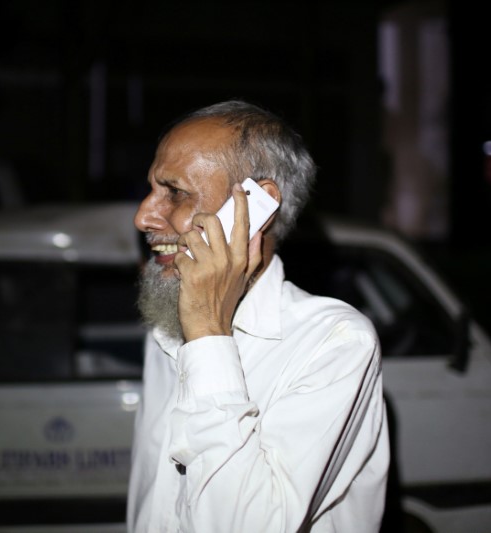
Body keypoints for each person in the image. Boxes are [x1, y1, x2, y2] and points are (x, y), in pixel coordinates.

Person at [128, 100, 389, 532]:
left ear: (256, 206)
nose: (143, 216)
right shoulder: (165, 327)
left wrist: (208, 336)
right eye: (152, 190)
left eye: (174, 192)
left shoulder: (335, 342)